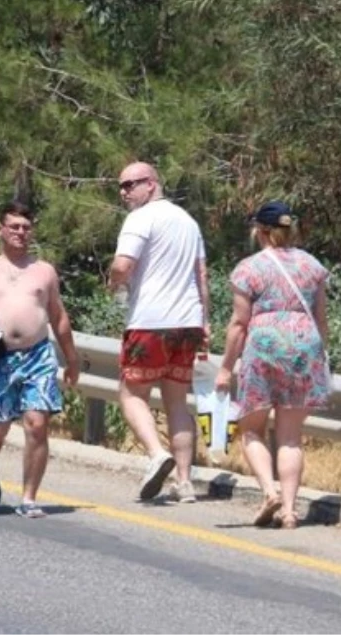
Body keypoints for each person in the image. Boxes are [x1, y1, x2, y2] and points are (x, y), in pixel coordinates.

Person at [215, 201, 330, 529]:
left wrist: (225, 368)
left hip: (264, 343)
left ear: (260, 232)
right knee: (291, 437)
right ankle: (291, 511)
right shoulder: (312, 266)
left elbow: (239, 323)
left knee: (251, 428)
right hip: (303, 347)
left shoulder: (249, 269)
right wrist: (316, 355)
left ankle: (269, 491)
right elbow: (322, 320)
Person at [0, 201, 80, 518]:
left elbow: (58, 317)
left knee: (37, 425)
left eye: (26, 227)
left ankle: (29, 498)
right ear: (0, 230)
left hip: (38, 357)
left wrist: (71, 359)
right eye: (14, 226)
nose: (20, 232)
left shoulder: (43, 271)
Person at [108, 161, 210, 503]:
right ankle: (184, 482)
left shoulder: (140, 218)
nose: (124, 193)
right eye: (121, 186)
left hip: (150, 321)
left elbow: (123, 265)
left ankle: (156, 454)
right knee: (177, 402)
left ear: (151, 184)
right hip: (187, 323)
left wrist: (113, 283)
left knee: (131, 393)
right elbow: (201, 276)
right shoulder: (188, 222)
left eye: (130, 185)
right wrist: (205, 321)